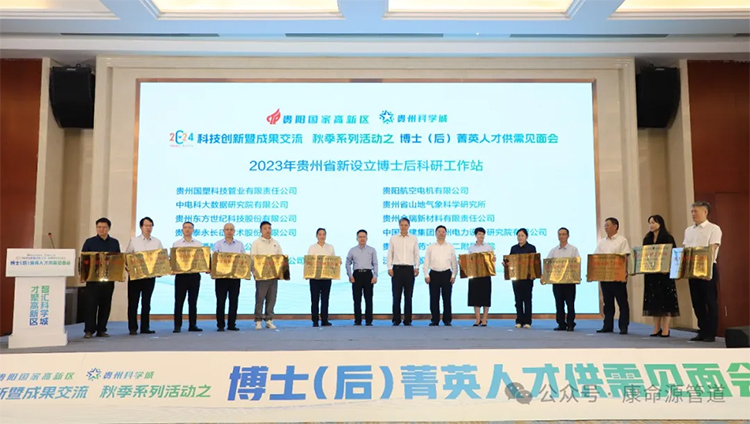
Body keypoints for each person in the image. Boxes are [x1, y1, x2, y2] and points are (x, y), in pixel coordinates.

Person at [683, 201, 722, 342]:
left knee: (710, 301)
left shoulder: (713, 228)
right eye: (692, 211)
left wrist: (705, 267)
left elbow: (713, 247)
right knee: (697, 302)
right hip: (692, 269)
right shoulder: (688, 230)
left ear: (705, 212)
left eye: (696, 211)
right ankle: (702, 330)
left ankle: (711, 333)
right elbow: (686, 250)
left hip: (707, 268)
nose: (693, 214)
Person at [81, 217, 121, 339]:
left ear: (109, 228)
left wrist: (119, 274)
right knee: (91, 305)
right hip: (92, 280)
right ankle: (89, 330)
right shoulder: (89, 242)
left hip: (108, 280)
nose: (101, 229)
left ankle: (102, 329)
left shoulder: (114, 242)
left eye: (104, 227)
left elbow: (118, 260)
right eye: (99, 227)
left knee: (105, 305)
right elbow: (83, 260)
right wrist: (82, 275)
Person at [124, 217, 163, 336]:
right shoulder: (134, 241)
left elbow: (161, 258)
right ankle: (132, 328)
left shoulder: (157, 242)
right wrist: (128, 267)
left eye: (150, 225)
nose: (148, 228)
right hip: (135, 277)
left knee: (146, 303)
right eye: (146, 225)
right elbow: (127, 256)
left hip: (149, 277)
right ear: (141, 227)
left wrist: (160, 270)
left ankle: (145, 327)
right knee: (133, 303)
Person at [642, 215, 679, 338]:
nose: (651, 225)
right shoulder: (647, 238)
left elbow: (673, 254)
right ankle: (656, 327)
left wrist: (668, 268)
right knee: (654, 301)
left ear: (660, 223)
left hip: (664, 274)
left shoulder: (668, 237)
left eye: (653, 222)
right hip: (651, 274)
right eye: (649, 223)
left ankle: (666, 328)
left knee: (666, 300)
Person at [595, 217, 631, 335]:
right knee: (607, 303)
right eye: (605, 225)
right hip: (605, 276)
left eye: (607, 225)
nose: (605, 227)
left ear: (615, 226)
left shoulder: (622, 240)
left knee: (622, 302)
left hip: (618, 276)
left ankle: (623, 326)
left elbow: (625, 257)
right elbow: (596, 258)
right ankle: (607, 326)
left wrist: (625, 272)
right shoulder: (602, 242)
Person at [387, 217, 419, 326]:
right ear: (399, 226)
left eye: (405, 225)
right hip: (397, 269)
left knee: (408, 296)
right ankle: (396, 319)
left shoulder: (413, 238)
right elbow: (390, 253)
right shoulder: (393, 238)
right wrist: (389, 267)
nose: (403, 227)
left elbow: (416, 254)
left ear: (409, 226)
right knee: (396, 296)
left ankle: (408, 319)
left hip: (409, 269)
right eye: (401, 225)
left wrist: (417, 267)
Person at [251, 220, 283, 330]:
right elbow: (252, 258)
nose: (267, 230)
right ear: (261, 230)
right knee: (260, 298)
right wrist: (253, 272)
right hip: (261, 276)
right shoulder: (256, 243)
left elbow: (280, 258)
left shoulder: (276, 243)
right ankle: (258, 320)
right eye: (265, 228)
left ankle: (269, 320)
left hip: (273, 276)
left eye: (269, 228)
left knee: (272, 298)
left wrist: (281, 272)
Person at [547, 227, 580, 332]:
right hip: (557, 282)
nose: (561, 236)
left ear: (568, 236)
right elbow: (548, 264)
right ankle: (561, 323)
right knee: (559, 303)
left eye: (563, 234)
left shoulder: (573, 249)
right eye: (560, 234)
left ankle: (570, 323)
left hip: (569, 282)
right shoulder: (554, 251)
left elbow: (576, 264)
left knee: (570, 303)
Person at [172, 221, 203, 333]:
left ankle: (193, 325)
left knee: (193, 301)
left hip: (194, 276)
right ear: (182, 230)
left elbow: (202, 260)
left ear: (193, 230)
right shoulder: (176, 244)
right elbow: (173, 259)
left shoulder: (198, 244)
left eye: (190, 228)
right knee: (179, 301)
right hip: (181, 276)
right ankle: (177, 325)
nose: (187, 229)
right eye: (185, 227)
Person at [424, 225, 458, 326]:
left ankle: (447, 320)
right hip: (434, 274)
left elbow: (454, 262)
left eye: (443, 232)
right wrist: (426, 274)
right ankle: (435, 319)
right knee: (434, 298)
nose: (441, 233)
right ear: (436, 233)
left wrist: (453, 275)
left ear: (446, 233)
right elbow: (426, 262)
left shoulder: (450, 247)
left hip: (446, 274)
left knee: (447, 298)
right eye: (439, 231)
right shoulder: (431, 247)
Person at [213, 223, 244, 332]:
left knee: (234, 301)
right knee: (220, 301)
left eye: (231, 229)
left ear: (234, 231)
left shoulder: (239, 244)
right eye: (227, 229)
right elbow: (215, 260)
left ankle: (232, 324)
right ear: (223, 231)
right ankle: (220, 325)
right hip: (221, 278)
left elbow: (243, 261)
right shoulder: (218, 244)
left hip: (235, 277)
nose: (229, 231)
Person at [345, 229, 378, 326]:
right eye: (360, 237)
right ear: (357, 238)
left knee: (368, 299)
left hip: (368, 274)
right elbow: (347, 263)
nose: (362, 239)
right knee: (357, 299)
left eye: (364, 237)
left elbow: (375, 263)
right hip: (357, 275)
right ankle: (357, 320)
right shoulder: (352, 250)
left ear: (367, 238)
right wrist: (350, 275)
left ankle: (369, 320)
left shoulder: (372, 250)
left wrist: (375, 276)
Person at [507, 228, 536, 328]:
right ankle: (519, 320)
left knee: (527, 300)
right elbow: (510, 261)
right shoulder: (514, 248)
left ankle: (528, 321)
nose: (520, 237)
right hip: (516, 278)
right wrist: (506, 264)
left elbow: (534, 262)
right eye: (518, 236)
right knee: (518, 300)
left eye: (522, 235)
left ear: (526, 237)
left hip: (527, 278)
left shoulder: (531, 248)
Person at [308, 228, 335, 327]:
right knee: (314, 300)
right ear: (317, 236)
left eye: (323, 234)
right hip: (315, 278)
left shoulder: (330, 247)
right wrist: (307, 274)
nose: (322, 236)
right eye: (320, 234)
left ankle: (324, 320)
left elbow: (333, 261)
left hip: (326, 278)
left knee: (325, 299)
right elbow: (309, 262)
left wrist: (337, 264)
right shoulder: (312, 247)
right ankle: (315, 320)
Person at [468, 227, 494, 327]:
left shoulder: (488, 247)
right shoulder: (471, 248)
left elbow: (491, 261)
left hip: (485, 275)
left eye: (483, 234)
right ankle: (478, 319)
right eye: (479, 234)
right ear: (476, 235)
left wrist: (493, 259)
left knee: (485, 297)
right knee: (475, 297)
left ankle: (485, 319)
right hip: (475, 275)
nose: (481, 236)